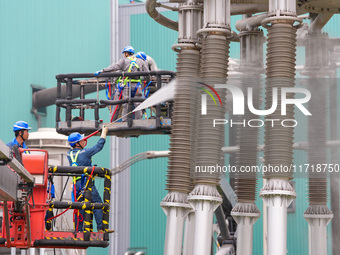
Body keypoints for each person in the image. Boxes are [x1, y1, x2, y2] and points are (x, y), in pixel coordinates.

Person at [67, 126, 108, 232]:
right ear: (77, 143)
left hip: (76, 186)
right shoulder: (85, 153)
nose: (83, 141)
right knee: (97, 204)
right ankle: (101, 228)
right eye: (81, 140)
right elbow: (99, 146)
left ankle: (79, 230)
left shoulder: (69, 154)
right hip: (87, 184)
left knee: (80, 208)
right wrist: (104, 133)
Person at [94, 46, 149, 121]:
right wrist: (147, 81)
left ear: (126, 53)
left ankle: (124, 121)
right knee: (138, 105)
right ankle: (139, 121)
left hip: (126, 86)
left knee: (125, 104)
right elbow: (148, 73)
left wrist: (102, 71)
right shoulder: (141, 61)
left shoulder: (123, 61)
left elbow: (113, 67)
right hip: (137, 87)